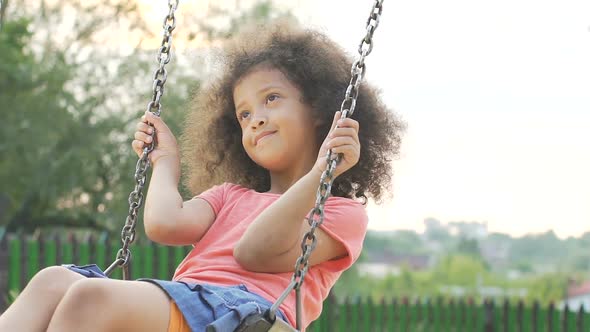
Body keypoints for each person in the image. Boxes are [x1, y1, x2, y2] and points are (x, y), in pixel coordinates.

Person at [0, 19, 404, 332]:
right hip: (185, 303)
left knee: (91, 298)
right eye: (243, 114)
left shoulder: (339, 211)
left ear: (319, 109)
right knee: (52, 281)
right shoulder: (229, 196)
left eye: (272, 99)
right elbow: (163, 223)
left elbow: (256, 252)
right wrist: (165, 162)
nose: (256, 118)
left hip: (242, 314)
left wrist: (320, 175)